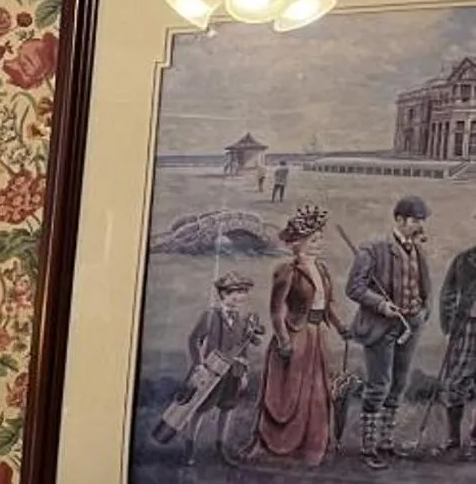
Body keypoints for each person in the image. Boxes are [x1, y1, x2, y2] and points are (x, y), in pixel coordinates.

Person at [347, 196, 435, 469]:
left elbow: (424, 286)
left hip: (410, 326)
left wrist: (422, 310)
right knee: (379, 386)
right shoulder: (373, 248)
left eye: (422, 220)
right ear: (399, 219)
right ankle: (368, 448)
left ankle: (386, 442)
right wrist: (381, 304)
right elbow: (354, 287)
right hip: (380, 327)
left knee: (398, 384)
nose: (420, 225)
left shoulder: (418, 251)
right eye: (415, 220)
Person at [254, 207, 344, 466]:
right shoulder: (287, 271)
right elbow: (275, 309)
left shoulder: (323, 269)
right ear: (300, 242)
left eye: (320, 239)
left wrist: (340, 327)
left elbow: (328, 305)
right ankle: (281, 446)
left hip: (317, 337)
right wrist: (283, 340)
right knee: (290, 394)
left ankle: (311, 447)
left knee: (316, 393)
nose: (319, 244)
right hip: (295, 336)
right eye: (314, 240)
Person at [154, 271, 263, 454]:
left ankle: (220, 449)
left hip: (233, 371)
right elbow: (194, 340)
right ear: (223, 294)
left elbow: (243, 347)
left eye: (243, 293)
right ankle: (190, 447)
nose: (239, 297)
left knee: (227, 408)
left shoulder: (243, 320)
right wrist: (200, 366)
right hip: (211, 370)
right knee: (200, 408)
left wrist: (244, 371)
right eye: (234, 293)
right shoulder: (210, 316)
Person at [442, 233, 476, 456]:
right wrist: (448, 324)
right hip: (468, 327)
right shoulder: (464, 259)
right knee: (455, 382)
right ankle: (453, 438)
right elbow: (448, 292)